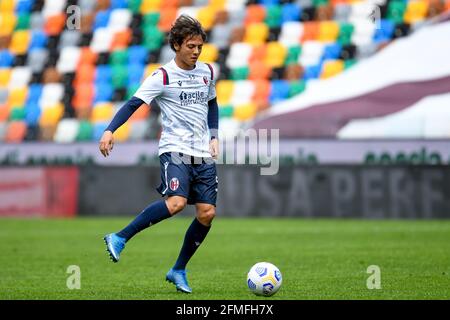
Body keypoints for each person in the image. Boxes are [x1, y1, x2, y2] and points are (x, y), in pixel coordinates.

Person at [99, 15, 219, 294]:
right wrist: (109, 130)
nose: (196, 51)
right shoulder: (162, 76)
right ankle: (120, 237)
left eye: (200, 46)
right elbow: (133, 104)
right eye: (191, 46)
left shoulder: (207, 72)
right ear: (176, 45)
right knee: (176, 202)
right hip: (175, 149)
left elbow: (212, 103)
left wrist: (214, 135)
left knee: (207, 213)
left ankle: (178, 269)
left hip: (202, 153)